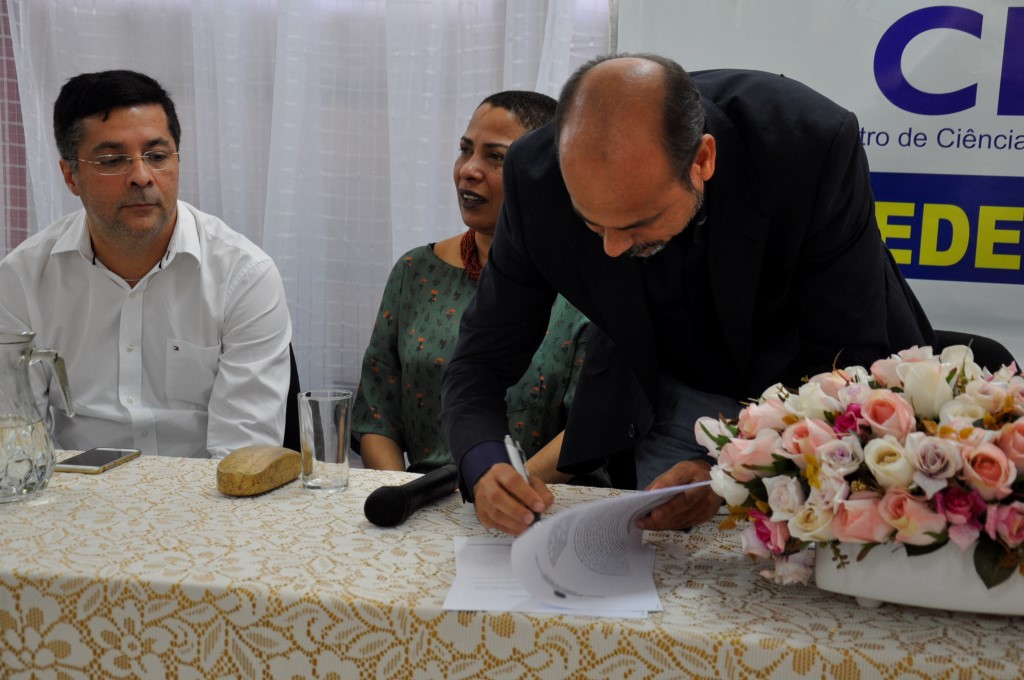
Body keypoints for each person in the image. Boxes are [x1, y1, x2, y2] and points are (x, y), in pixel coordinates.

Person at [441, 54, 935, 535]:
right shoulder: (535, 177)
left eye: (637, 222)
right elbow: (480, 360)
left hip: (810, 378)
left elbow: (844, 357)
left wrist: (730, 467)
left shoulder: (806, 144)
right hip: (670, 389)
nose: (611, 248)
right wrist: (484, 461)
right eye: (591, 223)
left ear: (702, 160)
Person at [0, 69, 292, 458]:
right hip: (76, 490)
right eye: (112, 160)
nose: (141, 177)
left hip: (206, 492)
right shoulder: (22, 279)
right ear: (71, 175)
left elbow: (242, 458)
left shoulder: (243, 276)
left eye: (157, 156)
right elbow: (14, 445)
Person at [353, 91, 593, 483]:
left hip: (542, 500)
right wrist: (404, 494)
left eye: (495, 157)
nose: (468, 170)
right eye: (466, 150)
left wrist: (505, 491)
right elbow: (377, 416)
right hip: (423, 499)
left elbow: (592, 425)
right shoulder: (415, 271)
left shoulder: (583, 288)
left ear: (545, 172)